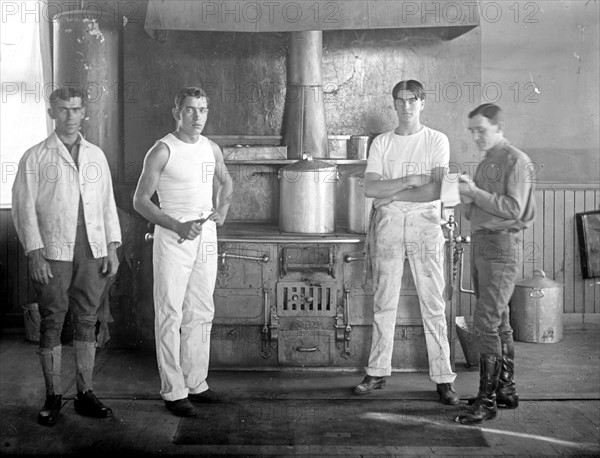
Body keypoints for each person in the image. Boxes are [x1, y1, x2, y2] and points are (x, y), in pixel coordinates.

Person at [12, 87, 121, 426]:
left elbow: (106, 204)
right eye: (63, 110)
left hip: (91, 249)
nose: (70, 116)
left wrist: (112, 248)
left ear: (84, 112)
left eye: (76, 109)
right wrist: (35, 253)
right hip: (54, 251)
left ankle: (85, 394)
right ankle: (52, 396)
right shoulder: (36, 156)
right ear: (51, 113)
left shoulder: (96, 155)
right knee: (52, 320)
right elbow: (23, 208)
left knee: (87, 319)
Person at [353, 79, 459, 405]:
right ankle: (377, 371)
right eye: (400, 100)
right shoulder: (382, 143)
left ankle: (443, 378)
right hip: (388, 224)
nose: (406, 106)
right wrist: (411, 181)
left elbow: (441, 189)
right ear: (394, 104)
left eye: (412, 99)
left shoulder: (436, 140)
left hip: (425, 224)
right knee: (385, 300)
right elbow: (371, 189)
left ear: (422, 102)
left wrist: (395, 191)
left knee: (433, 304)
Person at [133, 86, 233, 417]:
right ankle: (174, 390)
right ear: (177, 112)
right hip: (173, 238)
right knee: (170, 313)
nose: (197, 116)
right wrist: (177, 225)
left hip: (205, 235)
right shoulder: (162, 150)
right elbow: (140, 201)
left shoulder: (211, 148)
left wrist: (223, 206)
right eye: (190, 110)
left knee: (201, 310)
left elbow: (226, 181)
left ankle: (196, 383)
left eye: (203, 110)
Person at [455, 103, 535, 424]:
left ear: (499, 128)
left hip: (501, 247)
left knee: (485, 322)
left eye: (482, 130)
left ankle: (486, 403)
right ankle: (505, 391)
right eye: (472, 131)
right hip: (482, 243)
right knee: (499, 321)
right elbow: (475, 212)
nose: (476, 136)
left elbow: (514, 208)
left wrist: (474, 192)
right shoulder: (487, 162)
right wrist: (465, 197)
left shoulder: (517, 161)